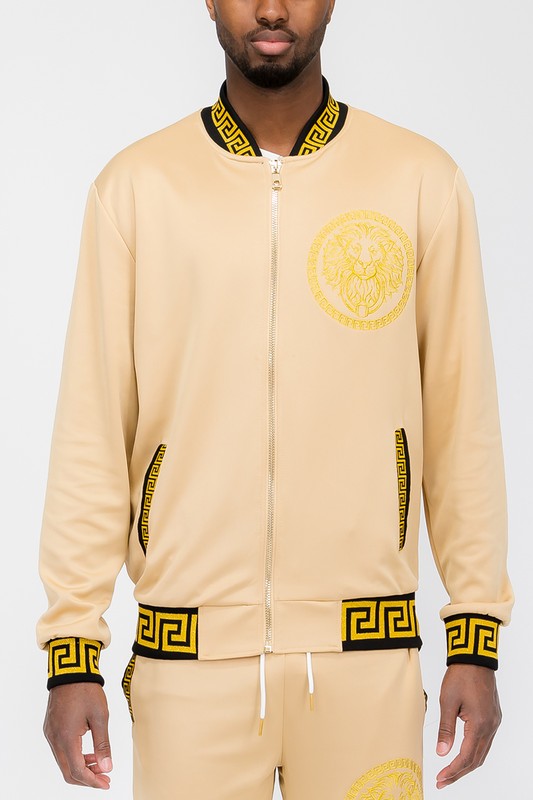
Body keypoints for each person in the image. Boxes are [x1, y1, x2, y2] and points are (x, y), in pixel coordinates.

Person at [37, 1, 514, 798]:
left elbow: (461, 425)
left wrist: (474, 636)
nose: (269, 8)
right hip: (187, 664)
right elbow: (92, 428)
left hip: (366, 662)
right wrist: (72, 653)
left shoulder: (419, 181)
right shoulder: (136, 189)